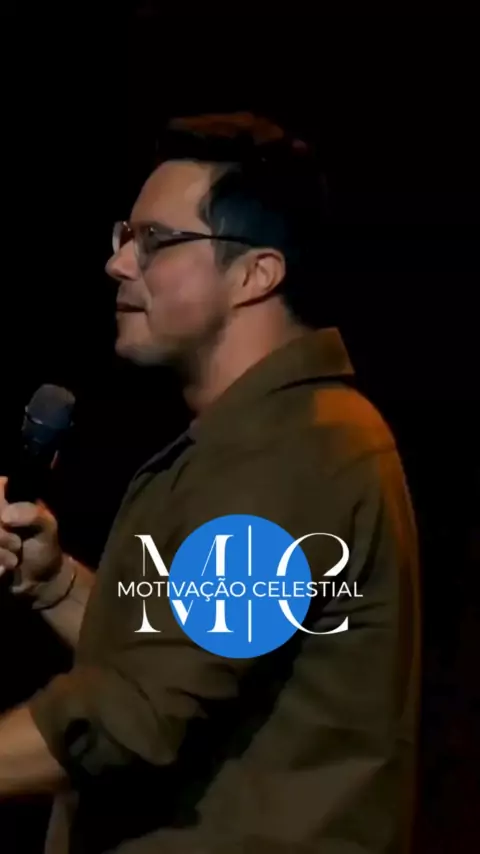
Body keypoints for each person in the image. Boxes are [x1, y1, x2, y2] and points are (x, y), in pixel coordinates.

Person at [0, 112, 421, 853]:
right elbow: (187, 647)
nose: (118, 263)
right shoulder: (263, 438)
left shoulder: (302, 449)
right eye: (123, 236)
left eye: (153, 240)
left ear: (256, 274)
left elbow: (137, 709)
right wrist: (57, 586)